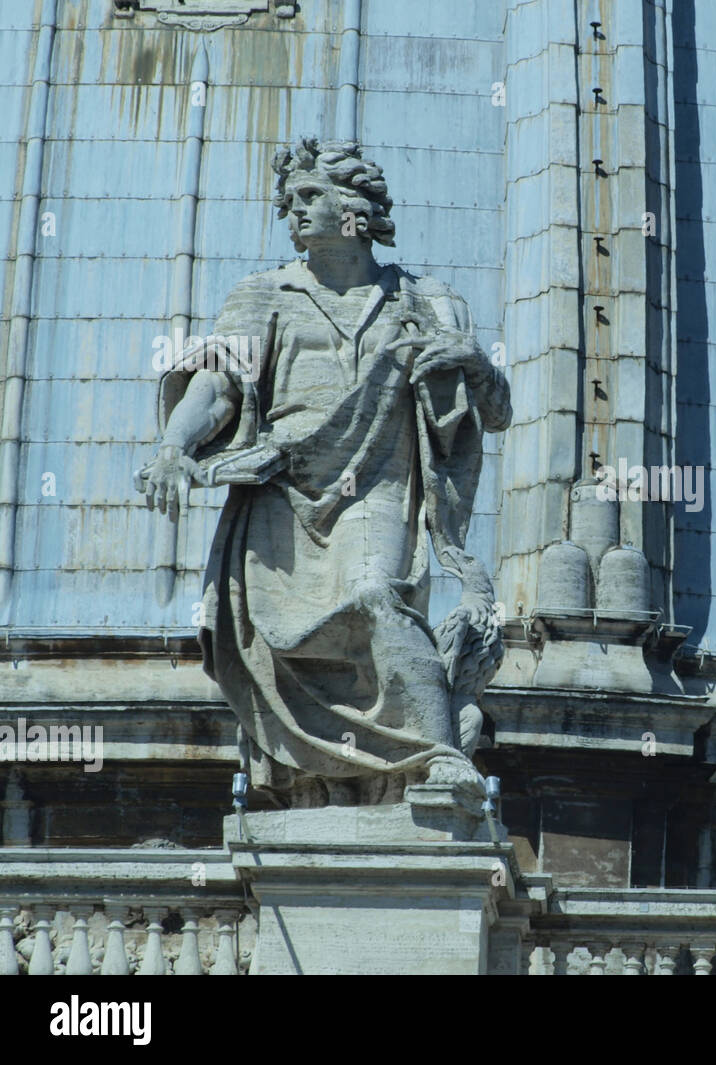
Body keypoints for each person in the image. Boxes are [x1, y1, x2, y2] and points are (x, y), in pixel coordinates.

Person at [141, 137, 511, 807]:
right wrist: (175, 446)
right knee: (283, 633)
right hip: (285, 485)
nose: (293, 213)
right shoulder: (266, 293)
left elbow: (496, 409)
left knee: (377, 594)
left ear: (356, 207)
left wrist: (477, 364)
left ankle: (436, 754)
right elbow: (221, 384)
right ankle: (329, 778)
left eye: (309, 197)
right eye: (288, 202)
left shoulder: (424, 300)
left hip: (378, 480)